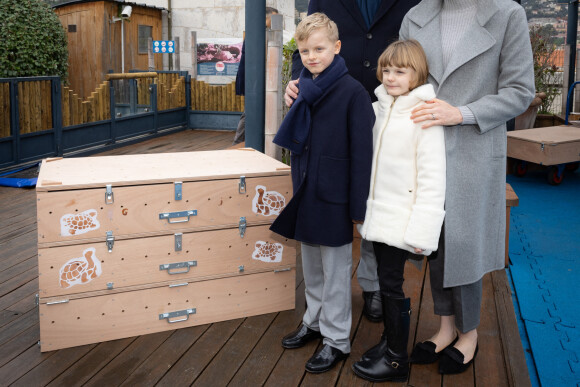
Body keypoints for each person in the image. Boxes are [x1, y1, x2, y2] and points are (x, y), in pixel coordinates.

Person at [399, 0, 535, 375]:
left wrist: (462, 113)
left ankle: (469, 334)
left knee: (466, 243)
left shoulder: (507, 14)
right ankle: (444, 328)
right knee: (436, 238)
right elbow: (402, 78)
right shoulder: (416, 15)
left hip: (474, 146)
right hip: (424, 148)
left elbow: (521, 90)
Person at [285, 0, 421, 323]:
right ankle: (323, 308)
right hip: (331, 109)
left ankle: (373, 284)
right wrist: (297, 80)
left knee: (376, 194)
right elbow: (302, 45)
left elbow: (418, 50)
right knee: (336, 194)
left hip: (391, 111)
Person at [270, 12, 374, 374]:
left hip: (336, 196)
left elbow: (363, 155)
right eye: (305, 49)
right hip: (306, 190)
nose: (312, 56)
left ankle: (337, 339)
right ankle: (313, 322)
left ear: (337, 47)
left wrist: (358, 206)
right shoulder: (302, 86)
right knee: (311, 267)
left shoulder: (353, 93)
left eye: (320, 48)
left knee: (335, 271)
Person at [350, 39, 446, 382]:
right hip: (378, 217)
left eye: (400, 71)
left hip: (402, 219)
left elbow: (433, 178)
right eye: (386, 70)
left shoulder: (423, 114)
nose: (391, 77)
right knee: (384, 280)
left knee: (391, 284)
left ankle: (395, 360)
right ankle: (390, 343)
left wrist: (422, 232)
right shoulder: (378, 109)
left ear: (416, 74)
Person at [232, 7, 278, 145]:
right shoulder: (257, 33)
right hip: (253, 79)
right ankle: (238, 141)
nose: (277, 22)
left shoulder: (261, 32)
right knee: (249, 111)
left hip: (254, 79)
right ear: (265, 19)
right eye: (274, 18)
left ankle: (241, 140)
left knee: (250, 111)